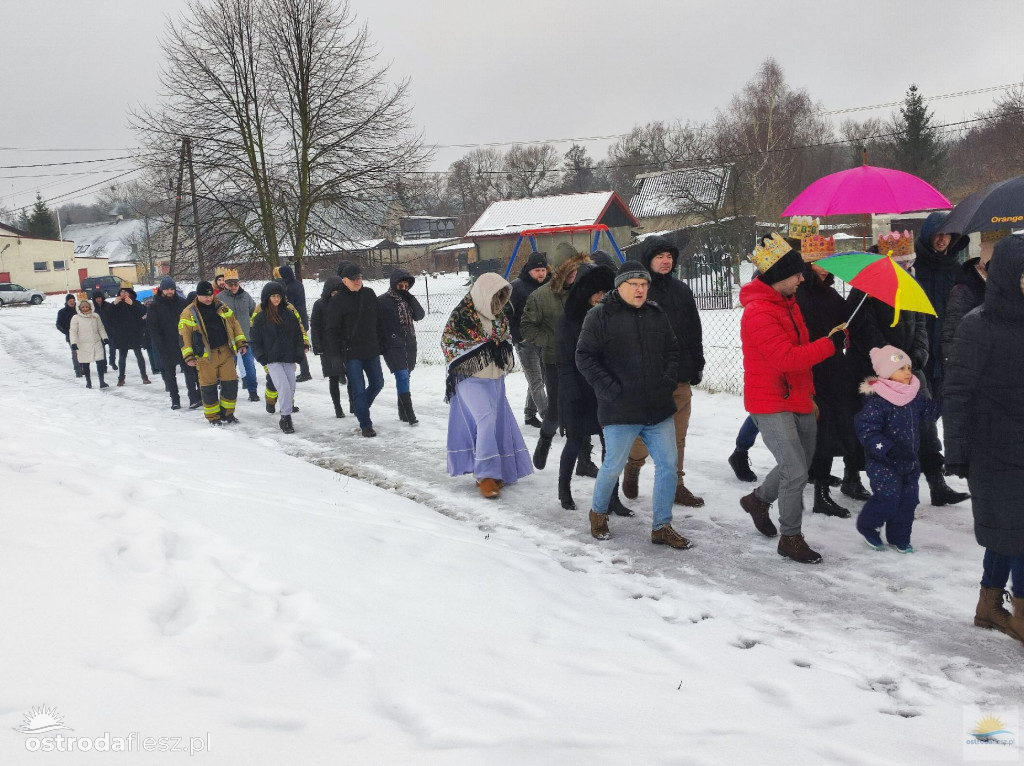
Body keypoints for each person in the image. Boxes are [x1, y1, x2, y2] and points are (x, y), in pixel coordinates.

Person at [738, 234, 842, 564]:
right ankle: (791, 537)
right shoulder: (758, 313)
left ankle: (758, 500)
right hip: (769, 401)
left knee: (798, 466)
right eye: (796, 274)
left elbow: (798, 360)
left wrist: (809, 394)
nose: (802, 278)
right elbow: (786, 358)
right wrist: (830, 344)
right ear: (777, 276)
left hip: (797, 397)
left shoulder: (789, 304)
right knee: (795, 471)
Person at [576, 261, 692, 549]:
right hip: (620, 410)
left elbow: (672, 350)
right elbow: (584, 356)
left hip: (657, 406)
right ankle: (598, 513)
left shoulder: (655, 314)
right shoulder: (600, 315)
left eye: (644, 284)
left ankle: (662, 526)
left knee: (668, 465)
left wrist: (666, 382)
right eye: (634, 284)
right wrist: (610, 389)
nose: (640, 289)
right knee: (613, 465)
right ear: (620, 286)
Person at [943, 235, 1024, 645]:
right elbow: (956, 391)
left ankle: (988, 606)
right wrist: (955, 452)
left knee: (1006, 528)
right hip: (993, 447)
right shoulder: (978, 325)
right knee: (1017, 529)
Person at [847, 232, 968, 507]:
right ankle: (852, 475)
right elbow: (866, 330)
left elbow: (922, 326)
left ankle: (937, 482)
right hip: (877, 372)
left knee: (925, 429)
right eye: (899, 264)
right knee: (875, 428)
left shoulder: (911, 285)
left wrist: (917, 356)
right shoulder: (866, 290)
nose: (904, 269)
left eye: (906, 264)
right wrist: (893, 363)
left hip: (912, 372)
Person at [621, 236, 705, 508]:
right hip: (651, 379)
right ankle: (633, 465)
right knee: (647, 434)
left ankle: (677, 485)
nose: (666, 260)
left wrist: (697, 362)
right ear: (648, 260)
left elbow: (694, 329)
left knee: (678, 435)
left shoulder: (682, 291)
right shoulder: (639, 292)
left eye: (669, 256)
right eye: (660, 256)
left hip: (680, 375)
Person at [443, 272, 532, 498]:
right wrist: (484, 347)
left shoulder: (499, 316)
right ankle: (485, 475)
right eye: (495, 294)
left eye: (502, 295)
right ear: (483, 292)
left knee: (497, 421)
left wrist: (499, 348)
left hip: (494, 377)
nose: (498, 300)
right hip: (468, 377)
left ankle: (496, 469)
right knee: (485, 419)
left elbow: (505, 340)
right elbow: (449, 344)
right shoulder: (462, 316)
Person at [554, 263, 634, 514]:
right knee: (576, 441)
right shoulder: (569, 320)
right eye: (595, 292)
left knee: (612, 447)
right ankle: (564, 489)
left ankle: (612, 497)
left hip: (606, 390)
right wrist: (570, 393)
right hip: (578, 392)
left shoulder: (613, 316)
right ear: (584, 292)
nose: (600, 296)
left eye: (604, 291)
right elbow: (564, 362)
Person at [794, 239, 859, 518]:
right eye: (819, 261)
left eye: (828, 261)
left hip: (835, 371)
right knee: (821, 433)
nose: (825, 267)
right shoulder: (800, 295)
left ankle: (824, 485)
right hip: (812, 372)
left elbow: (847, 316)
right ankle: (819, 492)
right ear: (808, 262)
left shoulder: (829, 293)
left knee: (834, 429)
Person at [854, 346, 942, 553]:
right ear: (885, 372)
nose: (907, 372)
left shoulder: (913, 396)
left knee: (908, 502)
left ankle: (899, 537)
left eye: (909, 367)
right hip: (883, 461)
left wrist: (946, 400)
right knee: (888, 498)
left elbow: (929, 413)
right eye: (901, 368)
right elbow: (867, 432)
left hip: (909, 460)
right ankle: (867, 526)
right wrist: (888, 450)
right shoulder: (877, 401)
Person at [521, 242, 598, 475]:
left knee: (584, 408)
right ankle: (545, 439)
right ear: (559, 269)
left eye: (577, 269)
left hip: (584, 359)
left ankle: (584, 461)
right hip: (555, 360)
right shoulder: (541, 297)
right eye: (569, 270)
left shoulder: (586, 294)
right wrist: (552, 340)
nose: (573, 274)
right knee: (555, 409)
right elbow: (526, 327)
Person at [326, 263, 385, 437]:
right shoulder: (337, 301)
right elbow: (331, 330)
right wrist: (336, 356)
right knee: (358, 388)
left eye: (359, 277)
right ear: (344, 281)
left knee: (378, 383)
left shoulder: (369, 294)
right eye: (354, 279)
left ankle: (360, 407)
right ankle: (366, 424)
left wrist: (383, 342)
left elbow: (379, 320)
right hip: (351, 353)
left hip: (371, 348)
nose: (358, 281)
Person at [178, 280, 248, 425]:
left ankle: (228, 414)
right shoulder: (189, 312)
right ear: (198, 295)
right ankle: (213, 417)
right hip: (204, 356)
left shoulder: (221, 306)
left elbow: (234, 324)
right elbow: (184, 336)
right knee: (208, 387)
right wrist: (189, 356)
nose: (208, 299)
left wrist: (241, 342)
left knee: (230, 384)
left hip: (225, 351)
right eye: (205, 296)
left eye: (210, 295)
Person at [912, 211, 969, 391]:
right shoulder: (914, 265)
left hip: (946, 346)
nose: (942, 239)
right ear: (929, 234)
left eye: (948, 234)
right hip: (920, 343)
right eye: (938, 233)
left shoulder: (958, 269)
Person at [940, 229, 1005, 367]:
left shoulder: (1007, 285)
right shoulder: (964, 288)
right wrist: (953, 365)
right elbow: (951, 333)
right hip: (974, 362)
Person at [250, 282, 306, 434]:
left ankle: (285, 414)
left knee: (291, 386)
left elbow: (297, 335)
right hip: (272, 358)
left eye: (278, 296)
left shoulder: (289, 315)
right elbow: (255, 340)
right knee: (284, 387)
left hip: (288, 357)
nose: (276, 299)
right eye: (273, 296)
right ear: (267, 298)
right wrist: (261, 357)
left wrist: (299, 352)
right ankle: (286, 418)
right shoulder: (261, 318)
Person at [508, 252, 550, 429]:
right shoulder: (516, 287)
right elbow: (507, 314)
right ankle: (549, 417)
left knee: (542, 379)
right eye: (537, 270)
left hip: (544, 339)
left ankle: (529, 414)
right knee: (536, 380)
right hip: (525, 342)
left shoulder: (550, 285)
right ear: (529, 270)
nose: (541, 273)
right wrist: (517, 336)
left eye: (543, 270)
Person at [379, 269, 425, 425]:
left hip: (409, 343)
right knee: (402, 376)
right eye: (401, 286)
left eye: (406, 286)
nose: (404, 289)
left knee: (406, 376)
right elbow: (377, 324)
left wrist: (410, 298)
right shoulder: (383, 301)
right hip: (392, 345)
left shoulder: (408, 300)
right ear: (394, 285)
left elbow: (419, 315)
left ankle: (402, 412)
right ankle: (410, 414)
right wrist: (384, 341)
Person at [147, 277, 200, 410]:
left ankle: (193, 398)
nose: (169, 292)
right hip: (165, 344)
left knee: (189, 371)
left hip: (183, 343)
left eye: (171, 289)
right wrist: (159, 345)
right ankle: (175, 400)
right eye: (167, 289)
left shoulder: (181, 303)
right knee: (170, 373)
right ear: (161, 290)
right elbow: (153, 328)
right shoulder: (154, 306)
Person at [217, 270, 260, 402]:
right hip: (228, 340)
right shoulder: (220, 298)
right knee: (229, 368)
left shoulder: (246, 296)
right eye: (230, 284)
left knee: (250, 367)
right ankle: (229, 393)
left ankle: (253, 392)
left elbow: (254, 312)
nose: (234, 287)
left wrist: (254, 327)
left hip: (246, 338)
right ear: (225, 284)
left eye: (235, 284)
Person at [310, 275, 346, 418]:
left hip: (344, 344)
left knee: (351, 375)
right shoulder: (320, 305)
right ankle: (337, 406)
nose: (336, 296)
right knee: (334, 377)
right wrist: (316, 344)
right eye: (333, 293)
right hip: (328, 346)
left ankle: (353, 403)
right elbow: (315, 325)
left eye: (339, 293)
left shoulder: (345, 304)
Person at [108, 287, 151, 386]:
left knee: (139, 356)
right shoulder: (116, 304)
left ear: (130, 294)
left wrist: (131, 304)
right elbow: (108, 314)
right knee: (122, 357)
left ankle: (144, 376)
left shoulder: (135, 302)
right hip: (121, 334)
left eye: (125, 292)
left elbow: (142, 311)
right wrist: (114, 304)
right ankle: (121, 378)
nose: (123, 294)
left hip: (134, 333)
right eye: (121, 292)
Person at [278, 265, 312, 383]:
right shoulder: (298, 284)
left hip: (296, 320)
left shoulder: (289, 288)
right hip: (302, 317)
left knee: (299, 346)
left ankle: (305, 372)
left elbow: (288, 305)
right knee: (301, 345)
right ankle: (304, 372)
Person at [69, 298, 110, 389]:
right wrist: (74, 343)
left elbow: (100, 328)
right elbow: (73, 331)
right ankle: (88, 382)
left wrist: (105, 337)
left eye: (86, 306)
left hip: (96, 342)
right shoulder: (76, 318)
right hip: (83, 344)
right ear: (79, 308)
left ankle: (102, 381)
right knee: (85, 363)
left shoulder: (95, 316)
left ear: (90, 306)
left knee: (100, 362)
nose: (85, 308)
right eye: (82, 307)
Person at [56, 293, 82, 377]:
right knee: (75, 352)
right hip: (70, 336)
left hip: (81, 334)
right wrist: (67, 332)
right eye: (70, 301)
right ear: (67, 302)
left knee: (82, 352)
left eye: (73, 301)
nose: (72, 302)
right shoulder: (62, 312)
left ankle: (83, 368)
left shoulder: (78, 310)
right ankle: (78, 370)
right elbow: (58, 325)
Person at [92, 290, 118, 371]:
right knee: (101, 349)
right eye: (96, 298)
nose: (98, 300)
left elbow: (114, 316)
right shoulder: (92, 309)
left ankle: (112, 361)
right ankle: (104, 366)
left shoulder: (108, 306)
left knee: (112, 347)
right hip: (99, 332)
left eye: (99, 298)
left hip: (110, 330)